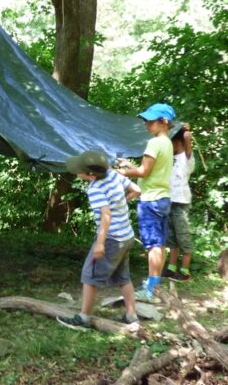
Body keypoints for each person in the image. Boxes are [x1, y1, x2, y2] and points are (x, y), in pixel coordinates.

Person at [56, 151, 142, 331]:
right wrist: (122, 201)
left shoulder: (95, 188)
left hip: (111, 239)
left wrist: (100, 243)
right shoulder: (114, 175)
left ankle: (83, 318)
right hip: (126, 236)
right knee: (123, 277)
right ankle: (131, 316)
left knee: (89, 276)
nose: (76, 171)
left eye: (79, 169)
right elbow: (137, 190)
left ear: (91, 175)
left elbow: (106, 215)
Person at [116, 102, 175, 302]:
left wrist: (119, 172)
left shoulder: (154, 143)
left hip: (151, 200)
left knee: (153, 246)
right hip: (163, 198)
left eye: (151, 121)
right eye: (146, 121)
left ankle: (150, 291)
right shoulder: (167, 143)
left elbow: (143, 172)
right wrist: (129, 165)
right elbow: (149, 171)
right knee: (160, 244)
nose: (146, 124)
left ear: (164, 122)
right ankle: (153, 284)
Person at [163, 123, 194, 281]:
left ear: (179, 143)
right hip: (169, 200)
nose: (171, 146)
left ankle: (185, 271)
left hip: (181, 202)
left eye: (173, 142)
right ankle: (171, 267)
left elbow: (187, 136)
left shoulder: (187, 158)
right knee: (171, 236)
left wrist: (184, 130)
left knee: (182, 236)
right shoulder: (170, 157)